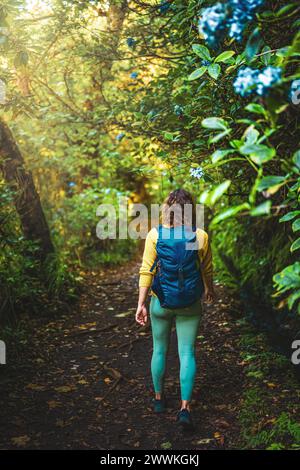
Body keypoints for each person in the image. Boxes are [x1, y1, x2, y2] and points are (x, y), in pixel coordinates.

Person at [135, 189, 214, 430]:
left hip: (161, 303)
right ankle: (184, 408)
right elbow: (207, 269)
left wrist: (140, 304)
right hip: (189, 303)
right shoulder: (200, 236)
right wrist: (209, 290)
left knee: (159, 350)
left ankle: (159, 400)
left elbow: (146, 270)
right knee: (187, 353)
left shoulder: (154, 235)